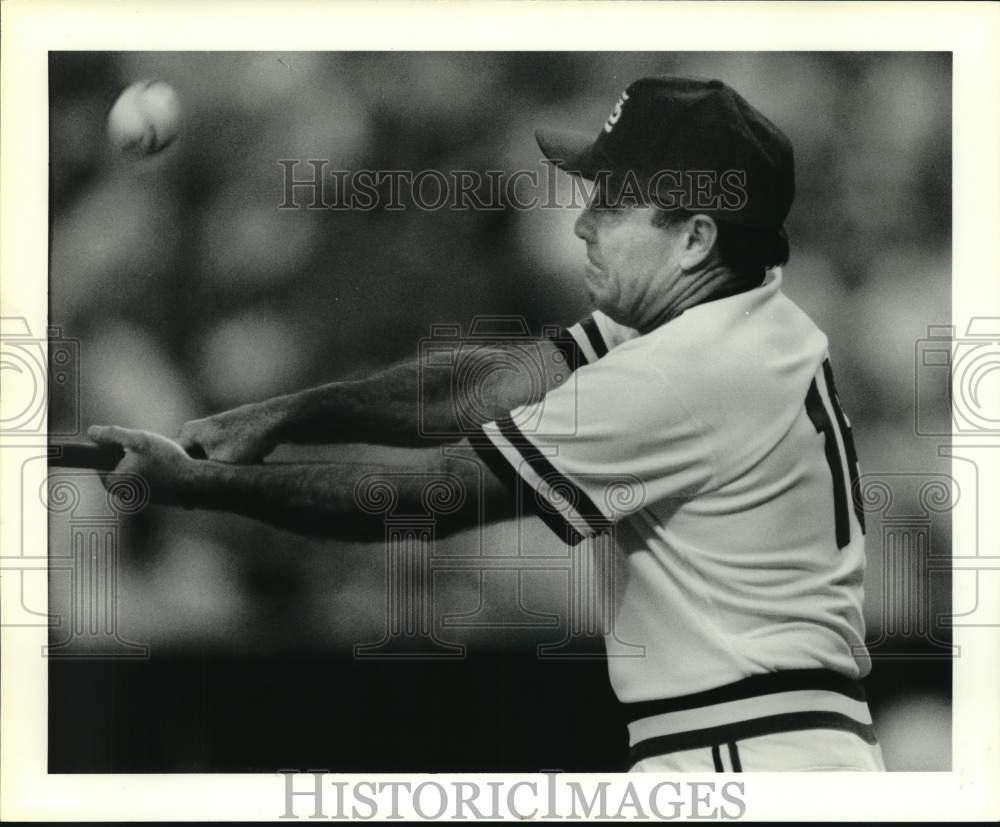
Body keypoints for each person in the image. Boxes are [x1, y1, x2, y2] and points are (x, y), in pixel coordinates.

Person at [90, 76, 885, 772]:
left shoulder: (687, 371)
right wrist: (285, 412)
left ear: (694, 237)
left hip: (748, 760)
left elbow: (431, 498)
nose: (583, 222)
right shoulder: (732, 315)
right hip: (775, 750)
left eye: (613, 201)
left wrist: (195, 484)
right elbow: (484, 387)